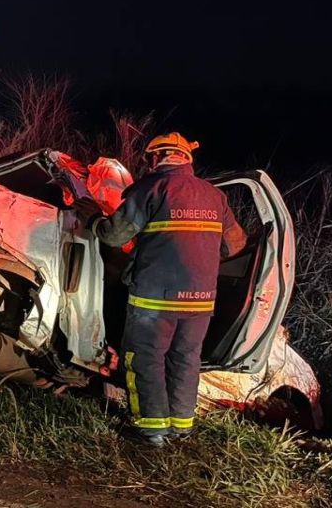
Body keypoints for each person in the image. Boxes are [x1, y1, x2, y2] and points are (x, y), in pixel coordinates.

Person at [79, 132, 246, 447]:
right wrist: (204, 255)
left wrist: (93, 220)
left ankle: (151, 431)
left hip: (155, 298)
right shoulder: (214, 195)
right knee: (186, 358)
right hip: (200, 299)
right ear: (187, 159)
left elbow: (114, 237)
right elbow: (237, 243)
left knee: (145, 358)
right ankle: (182, 429)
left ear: (155, 158)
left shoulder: (149, 189)